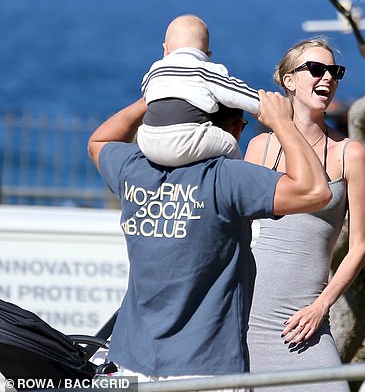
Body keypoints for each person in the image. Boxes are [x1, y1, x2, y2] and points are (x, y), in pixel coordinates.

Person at [87, 90, 332, 381]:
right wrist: (282, 123)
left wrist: (158, 92)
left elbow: (99, 141)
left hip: (130, 360)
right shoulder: (226, 177)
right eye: (241, 126)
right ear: (233, 129)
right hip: (206, 365)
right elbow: (316, 192)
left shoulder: (136, 168)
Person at [244, 38, 365, 392]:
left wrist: (321, 307)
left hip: (309, 321)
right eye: (316, 69)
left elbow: (360, 246)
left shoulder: (352, 154)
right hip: (249, 317)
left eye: (334, 71)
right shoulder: (260, 148)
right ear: (289, 81)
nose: (327, 78)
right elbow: (234, 234)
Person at [137, 14, 260, 166]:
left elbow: (146, 93)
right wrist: (262, 103)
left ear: (165, 49)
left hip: (147, 142)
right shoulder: (205, 70)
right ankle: (236, 181)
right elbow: (237, 94)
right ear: (208, 55)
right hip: (183, 140)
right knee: (229, 143)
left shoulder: (154, 71)